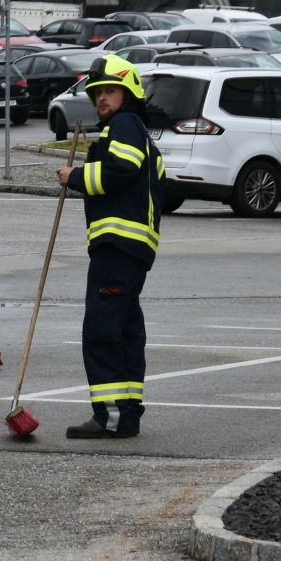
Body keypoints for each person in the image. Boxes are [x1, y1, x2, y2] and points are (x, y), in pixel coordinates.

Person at [56, 55, 163, 439]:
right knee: (125, 329)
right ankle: (127, 413)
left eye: (110, 91)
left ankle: (111, 417)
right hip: (132, 250)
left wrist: (76, 176)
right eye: (98, 92)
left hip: (118, 246)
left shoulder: (124, 124)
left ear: (129, 92)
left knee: (102, 327)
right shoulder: (134, 130)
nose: (102, 98)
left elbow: (121, 172)